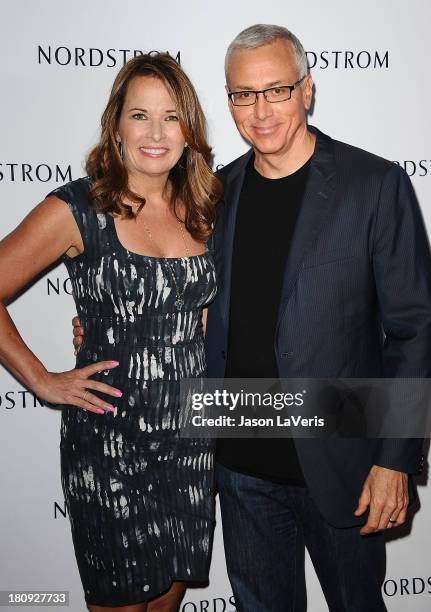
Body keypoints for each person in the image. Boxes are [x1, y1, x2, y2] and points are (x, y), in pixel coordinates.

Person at [72, 25, 431, 612]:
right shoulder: (216, 192)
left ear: (308, 91)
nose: (260, 110)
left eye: (277, 90)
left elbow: (415, 328)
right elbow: (179, 296)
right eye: (244, 94)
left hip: (341, 459)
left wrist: (394, 459)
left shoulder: (373, 184)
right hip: (240, 468)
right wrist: (104, 327)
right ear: (229, 100)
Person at [0, 53, 221, 612]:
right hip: (109, 446)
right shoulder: (80, 208)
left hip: (190, 444)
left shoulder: (205, 208)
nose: (155, 132)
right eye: (139, 115)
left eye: (171, 117)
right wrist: (42, 381)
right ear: (115, 127)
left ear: (188, 129)